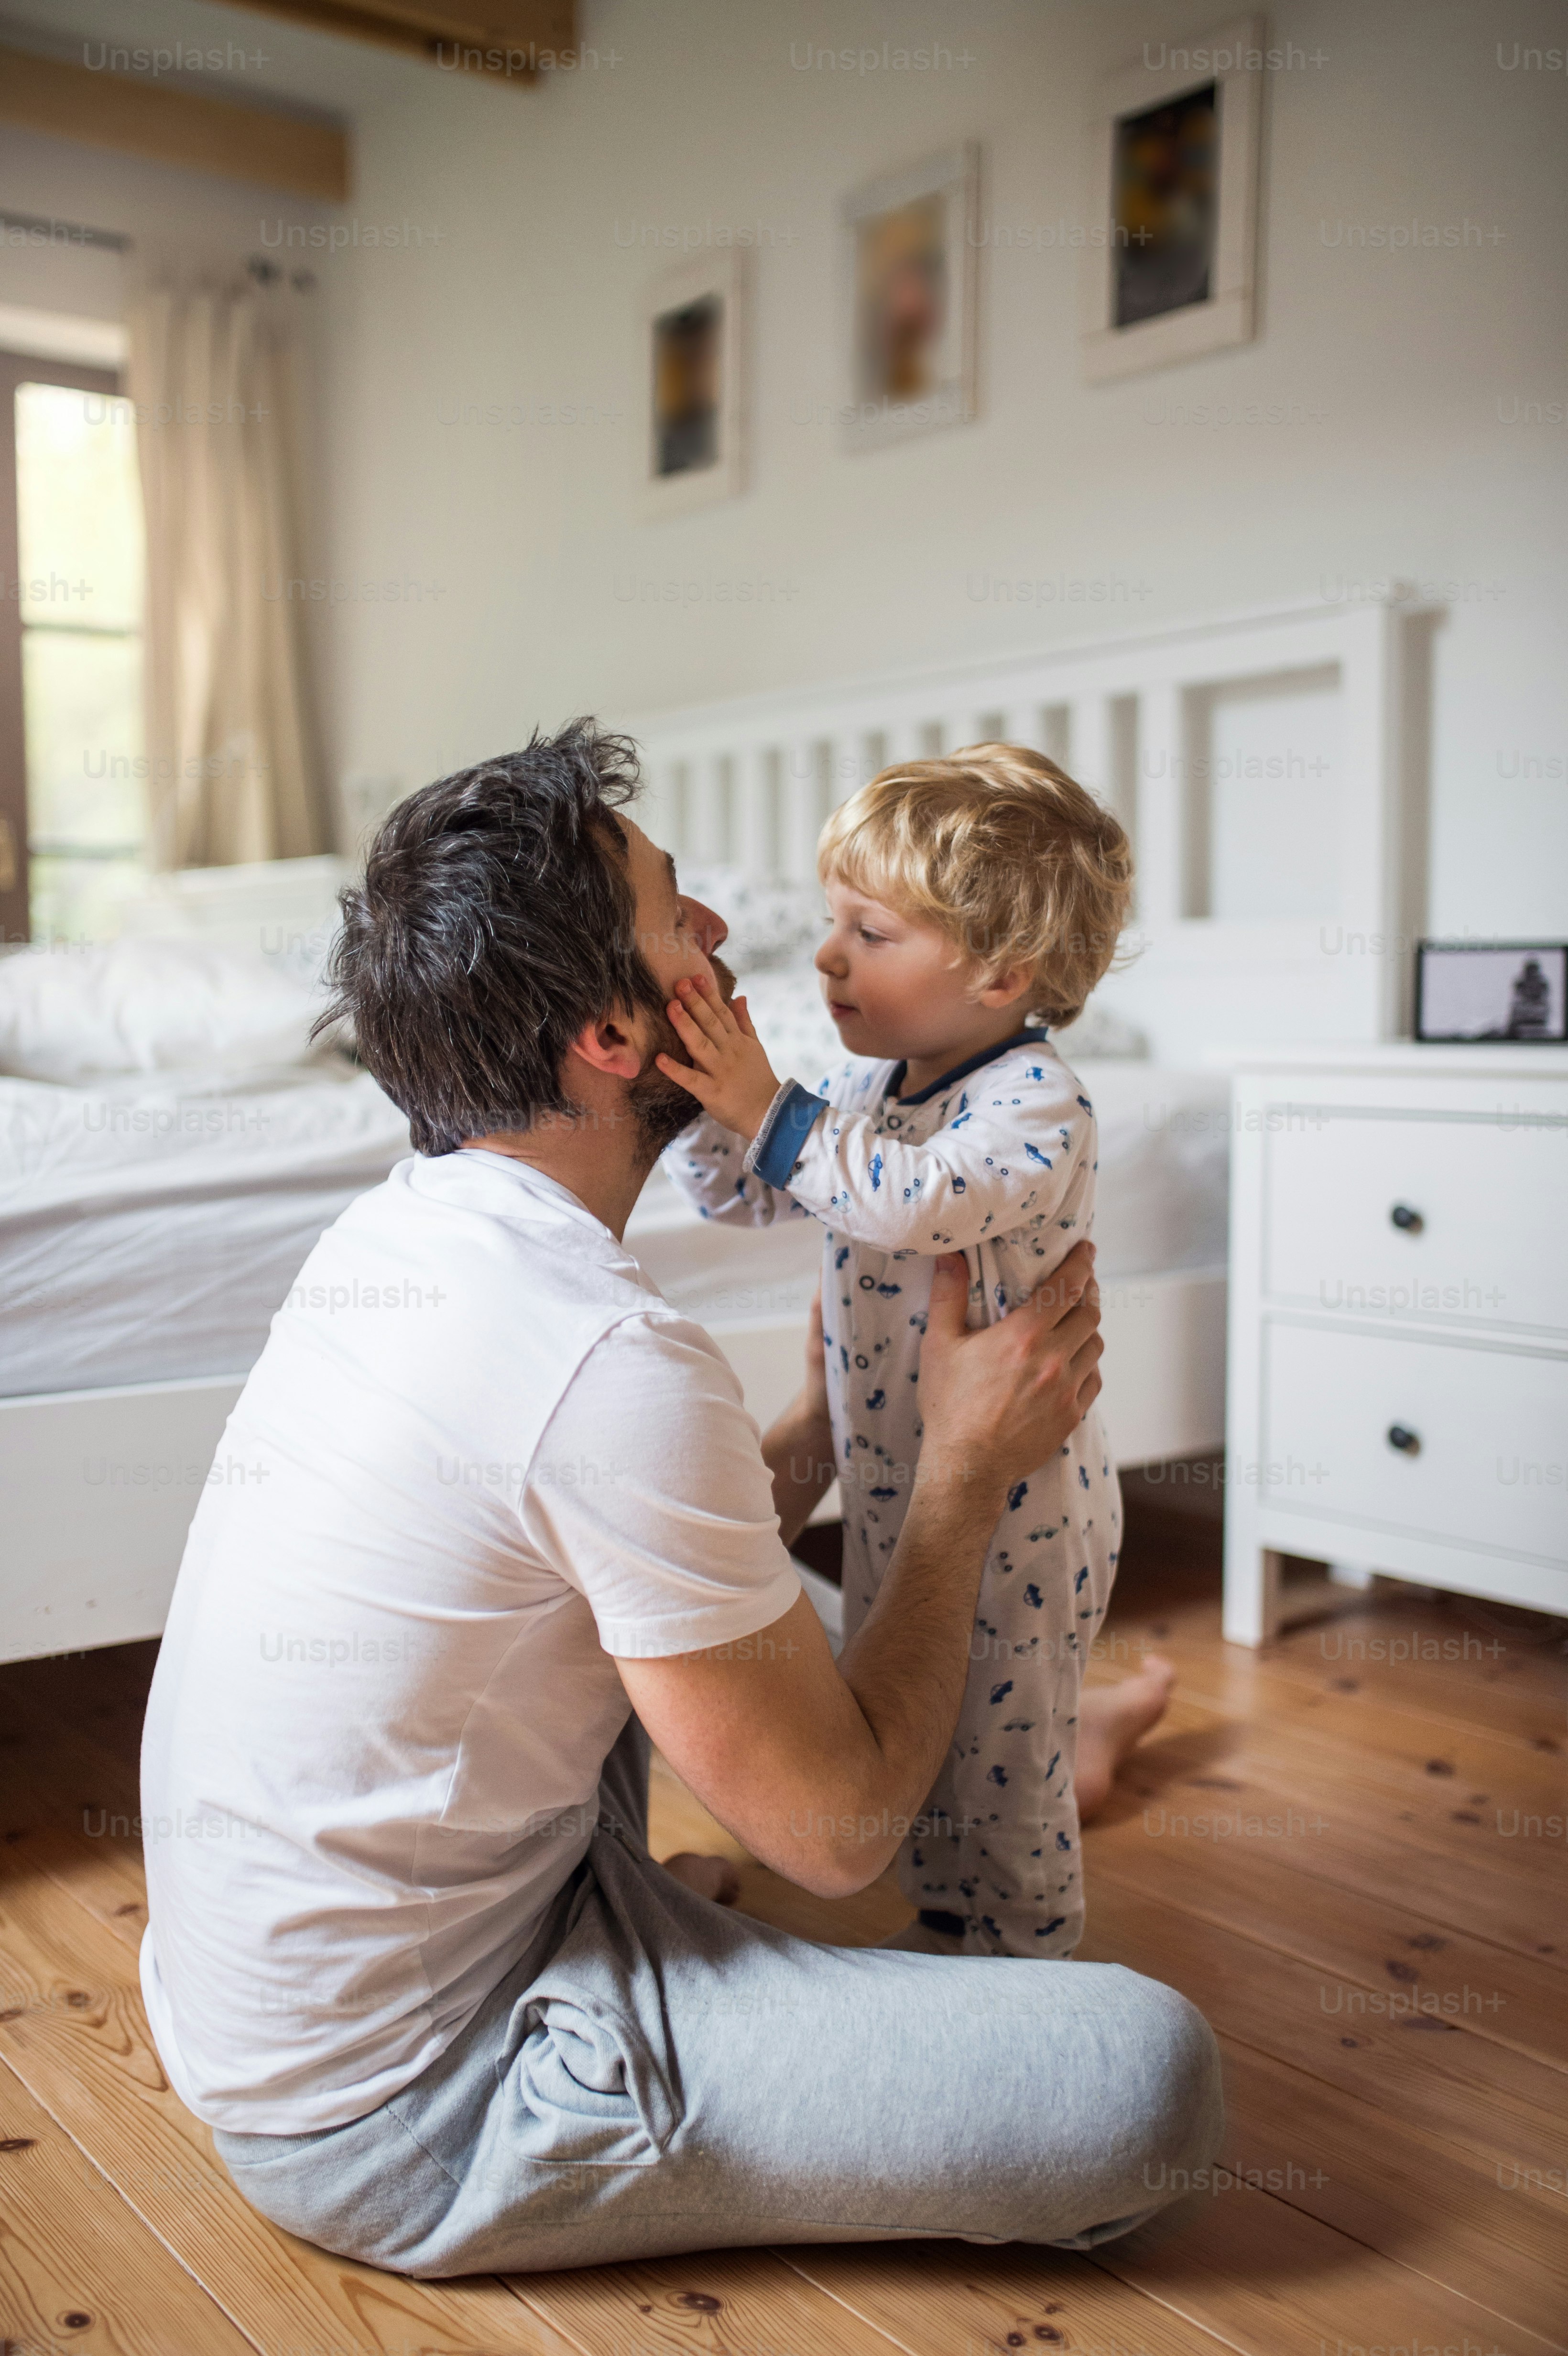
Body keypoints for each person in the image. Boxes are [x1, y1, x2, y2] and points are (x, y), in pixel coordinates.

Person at [138, 721, 1222, 2278]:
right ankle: (705, 1932)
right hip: (409, 2106)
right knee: (1145, 2074)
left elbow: (616, 1532)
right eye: (676, 917)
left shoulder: (405, 1229)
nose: (727, 931)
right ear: (608, 1035)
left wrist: (808, 1432)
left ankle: (1051, 1732)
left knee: (702, 1588)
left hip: (263, 2009)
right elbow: (841, 1835)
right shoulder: (606, 1359)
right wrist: (965, 1471)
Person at [660, 745, 1168, 1957]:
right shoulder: (875, 1084)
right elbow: (751, 1198)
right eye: (831, 922)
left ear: (1002, 971)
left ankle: (1009, 1955)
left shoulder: (1036, 1102)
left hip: (1017, 1515)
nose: (828, 954)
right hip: (897, 1482)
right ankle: (1078, 1745)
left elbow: (910, 1201)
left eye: (870, 931)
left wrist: (770, 1110)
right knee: (938, 1723)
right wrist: (699, 1106)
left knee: (999, 1778)